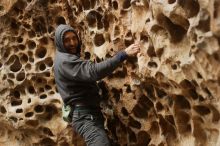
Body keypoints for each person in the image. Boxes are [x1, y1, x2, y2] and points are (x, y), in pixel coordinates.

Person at [54, 24, 140, 146]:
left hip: (88, 113)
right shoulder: (64, 61)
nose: (72, 43)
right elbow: (92, 72)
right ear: (59, 42)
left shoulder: (65, 58)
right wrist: (123, 54)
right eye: (67, 40)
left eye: (74, 38)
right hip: (84, 116)